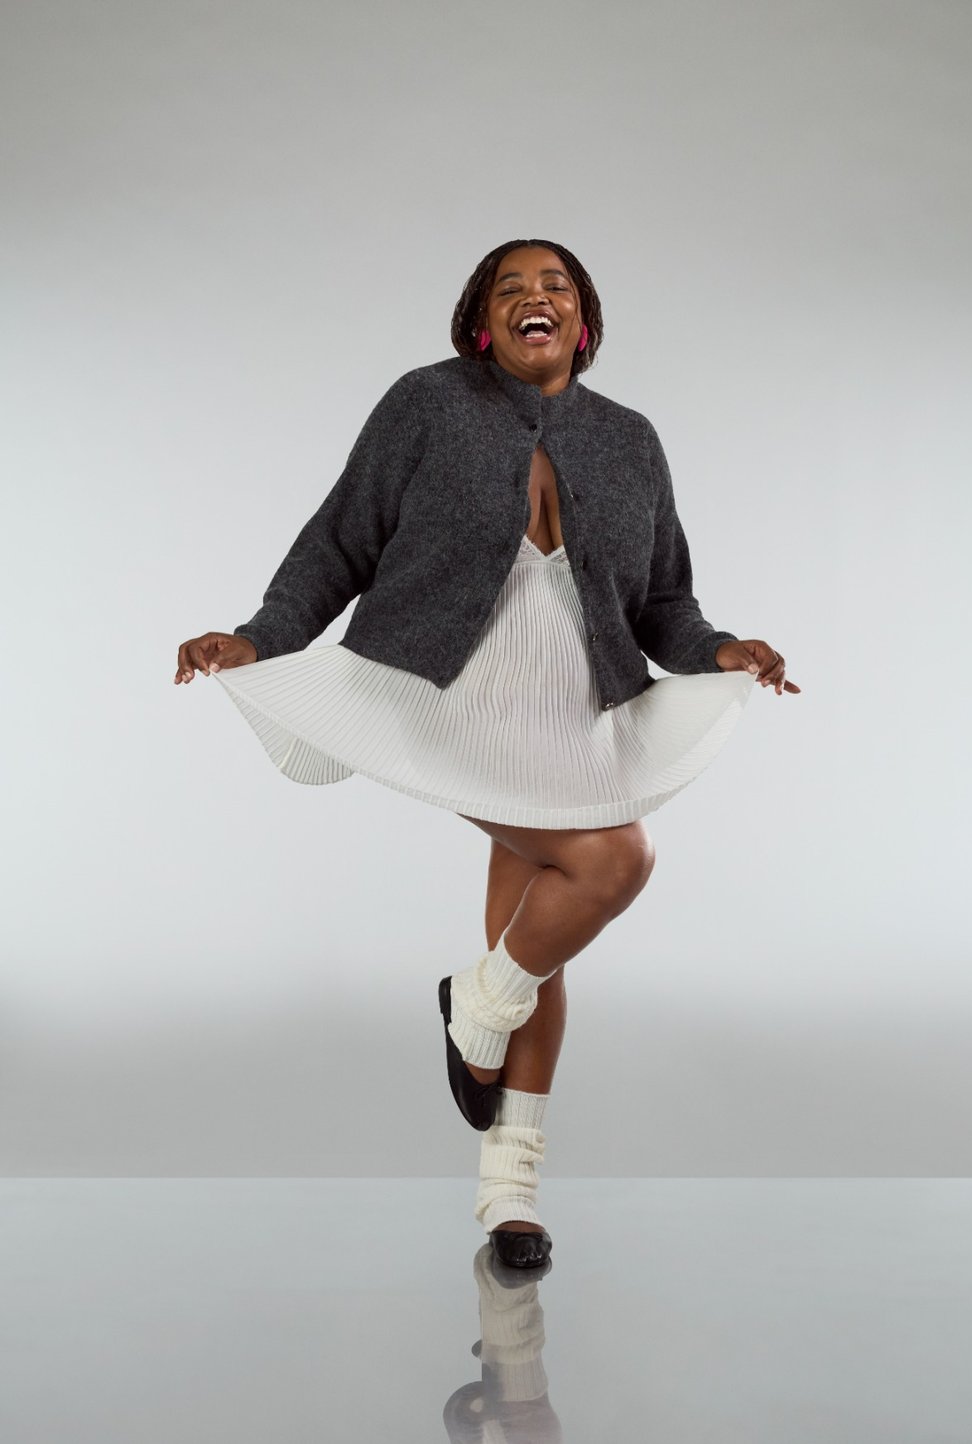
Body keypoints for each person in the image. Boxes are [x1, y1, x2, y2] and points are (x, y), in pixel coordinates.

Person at [174, 238, 800, 1272]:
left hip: (572, 707)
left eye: (554, 286)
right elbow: (340, 539)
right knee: (613, 860)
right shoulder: (426, 404)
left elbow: (662, 603)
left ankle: (509, 1196)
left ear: (583, 321)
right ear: (481, 321)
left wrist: (722, 651)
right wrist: (259, 637)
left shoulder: (630, 439)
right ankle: (480, 998)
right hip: (446, 696)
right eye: (510, 289)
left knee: (534, 927)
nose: (533, 299)